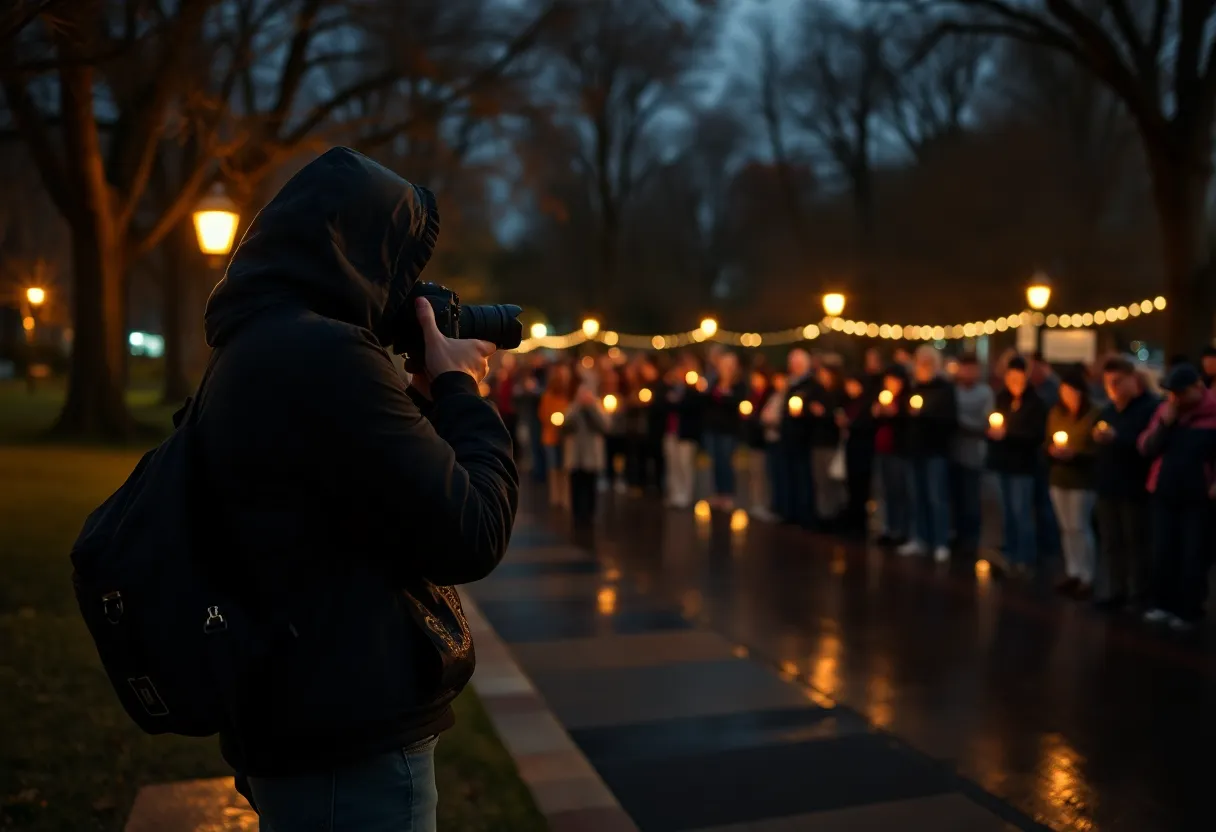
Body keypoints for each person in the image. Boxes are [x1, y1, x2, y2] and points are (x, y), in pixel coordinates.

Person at [198, 148, 517, 831]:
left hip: (295, 709)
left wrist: (420, 399)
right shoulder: (326, 359)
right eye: (397, 265)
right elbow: (473, 530)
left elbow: (375, 496)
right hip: (346, 733)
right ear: (357, 256)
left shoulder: (259, 345)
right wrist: (462, 390)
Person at [1137, 363, 1216, 631]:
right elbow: (1147, 447)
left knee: (1193, 555)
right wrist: (1164, 424)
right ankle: (1162, 604)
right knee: (1163, 551)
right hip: (1164, 491)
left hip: (1198, 496)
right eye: (1171, 393)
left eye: (1180, 393)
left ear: (1197, 387)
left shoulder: (1212, 413)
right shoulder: (1166, 411)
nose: (1175, 399)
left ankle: (1189, 609)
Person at [1092, 357, 1158, 610]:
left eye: (1118, 382)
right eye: (1108, 383)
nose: (1113, 389)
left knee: (1136, 543)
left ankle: (1139, 594)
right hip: (1108, 487)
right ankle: (1115, 590)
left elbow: (1147, 446)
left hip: (1134, 488)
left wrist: (1117, 438)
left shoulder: (1149, 408)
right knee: (1111, 542)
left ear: (1134, 379)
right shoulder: (1109, 411)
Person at [988, 356, 1048, 576]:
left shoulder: (1035, 402)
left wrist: (1008, 435)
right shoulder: (1002, 399)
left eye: (1018, 376)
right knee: (1007, 512)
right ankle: (1010, 552)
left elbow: (1036, 435)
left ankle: (1025, 556)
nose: (1014, 381)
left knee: (1021, 511)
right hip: (1004, 463)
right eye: (1010, 376)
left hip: (1023, 466)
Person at [900, 346, 957, 562]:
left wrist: (925, 415)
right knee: (916, 496)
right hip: (915, 450)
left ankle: (940, 541)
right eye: (919, 363)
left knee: (936, 497)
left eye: (927, 364)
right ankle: (919, 538)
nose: (922, 368)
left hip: (935, 450)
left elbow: (949, 421)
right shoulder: (913, 388)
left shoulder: (944, 389)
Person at [1045, 372, 1100, 597]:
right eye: (1064, 391)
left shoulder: (1093, 415)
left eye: (1072, 391)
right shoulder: (1057, 413)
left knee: (1080, 526)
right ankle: (1072, 570)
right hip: (1059, 478)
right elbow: (1047, 440)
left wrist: (1075, 455)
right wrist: (1051, 450)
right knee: (1066, 528)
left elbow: (1097, 450)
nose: (1068, 396)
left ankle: (1087, 575)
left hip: (1082, 480)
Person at [951, 353, 993, 556]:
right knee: (956, 498)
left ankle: (972, 541)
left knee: (971, 501)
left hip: (974, 455)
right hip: (954, 453)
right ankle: (958, 536)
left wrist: (961, 423)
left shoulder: (985, 393)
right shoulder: (954, 392)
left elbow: (986, 424)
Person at [872, 364, 911, 545]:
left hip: (899, 449)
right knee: (885, 490)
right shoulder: (883, 397)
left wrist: (896, 414)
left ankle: (901, 529)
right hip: (883, 449)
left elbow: (907, 423)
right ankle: (888, 526)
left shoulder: (906, 400)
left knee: (898, 490)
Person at [702, 351, 746, 508]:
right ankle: (718, 493)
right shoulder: (714, 381)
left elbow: (738, 403)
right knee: (716, 461)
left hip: (728, 429)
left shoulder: (739, 384)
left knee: (726, 461)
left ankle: (728, 494)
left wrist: (726, 394)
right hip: (713, 427)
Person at [780, 348, 817, 527]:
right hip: (789, 437)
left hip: (803, 438)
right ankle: (791, 511)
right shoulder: (791, 384)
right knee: (790, 476)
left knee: (803, 477)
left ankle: (804, 514)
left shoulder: (810, 385)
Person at [564, 380, 609, 523]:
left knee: (590, 487)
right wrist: (577, 410)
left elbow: (605, 426)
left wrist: (590, 409)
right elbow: (565, 426)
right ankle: (577, 514)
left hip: (591, 455)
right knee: (576, 486)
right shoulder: (573, 408)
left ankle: (590, 514)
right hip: (576, 455)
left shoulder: (597, 408)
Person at [808, 364, 847, 526]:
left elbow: (840, 416)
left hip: (831, 442)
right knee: (820, 480)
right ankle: (822, 514)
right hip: (818, 442)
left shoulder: (838, 394)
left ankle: (835, 514)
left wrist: (827, 414)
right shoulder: (815, 393)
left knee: (833, 481)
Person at [664, 355, 704, 509]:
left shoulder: (694, 389)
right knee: (673, 464)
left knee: (685, 464)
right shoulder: (672, 386)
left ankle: (686, 494)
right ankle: (675, 493)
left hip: (686, 432)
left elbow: (694, 407)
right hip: (671, 430)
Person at [742, 368, 776, 520]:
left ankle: (764, 503)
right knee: (755, 473)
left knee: (764, 473)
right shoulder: (752, 396)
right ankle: (756, 503)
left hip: (763, 441)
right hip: (753, 440)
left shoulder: (768, 396)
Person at [539, 362, 574, 509]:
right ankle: (555, 497)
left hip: (566, 437)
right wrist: (554, 421)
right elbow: (543, 414)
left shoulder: (569, 396)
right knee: (553, 467)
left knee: (565, 468)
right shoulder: (548, 396)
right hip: (551, 436)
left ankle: (566, 497)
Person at [760, 373, 789, 521]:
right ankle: (774, 504)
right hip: (770, 438)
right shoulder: (773, 396)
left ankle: (782, 507)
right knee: (771, 473)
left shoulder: (787, 397)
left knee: (781, 474)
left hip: (780, 439)